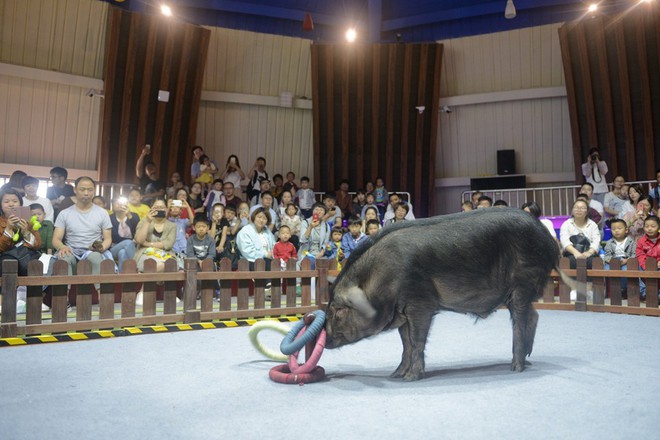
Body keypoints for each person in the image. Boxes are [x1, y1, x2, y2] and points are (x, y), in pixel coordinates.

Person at [52, 177, 114, 278]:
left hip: (93, 250)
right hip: (71, 250)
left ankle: (99, 293)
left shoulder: (103, 213)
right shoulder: (65, 213)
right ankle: (64, 293)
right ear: (75, 190)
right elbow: (56, 239)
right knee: (64, 258)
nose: (86, 193)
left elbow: (108, 238)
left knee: (95, 257)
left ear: (94, 190)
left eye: (90, 190)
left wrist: (101, 248)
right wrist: (62, 247)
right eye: (82, 189)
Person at [0, 189, 42, 276]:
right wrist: (8, 229)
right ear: (1, 205)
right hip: (5, 261)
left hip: (27, 258)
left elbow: (37, 244)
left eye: (15, 201)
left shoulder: (29, 220)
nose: (11, 204)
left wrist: (26, 232)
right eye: (6, 201)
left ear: (20, 204)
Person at [133, 198, 176, 272]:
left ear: (166, 209)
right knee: (155, 265)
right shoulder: (144, 221)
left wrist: (147, 243)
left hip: (165, 254)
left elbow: (168, 244)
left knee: (166, 264)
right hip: (146, 253)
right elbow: (139, 240)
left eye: (162, 207)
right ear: (151, 209)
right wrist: (148, 221)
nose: (159, 209)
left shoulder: (172, 225)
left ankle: (146, 279)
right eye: (156, 207)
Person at [559, 199, 601, 270]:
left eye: (582, 208)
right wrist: (576, 253)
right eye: (576, 207)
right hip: (571, 253)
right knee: (570, 261)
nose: (579, 210)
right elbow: (565, 242)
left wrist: (588, 253)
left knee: (594, 262)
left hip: (589, 253)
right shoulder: (566, 224)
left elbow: (596, 242)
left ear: (587, 211)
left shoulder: (593, 225)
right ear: (572, 210)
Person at [603, 218, 634, 297]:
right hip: (613, 260)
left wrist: (627, 260)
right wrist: (610, 260)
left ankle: (623, 289)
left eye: (619, 228)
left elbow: (634, 254)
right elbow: (607, 254)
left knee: (625, 271)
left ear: (626, 230)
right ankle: (611, 289)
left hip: (626, 260)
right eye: (613, 229)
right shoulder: (609, 242)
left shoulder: (631, 241)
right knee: (606, 270)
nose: (616, 231)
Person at [109, 197, 139, 272]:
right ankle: (138, 266)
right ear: (112, 205)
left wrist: (129, 215)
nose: (119, 204)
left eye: (122, 202)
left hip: (132, 248)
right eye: (117, 202)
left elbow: (138, 230)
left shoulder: (134, 216)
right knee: (128, 242)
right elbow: (114, 237)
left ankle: (121, 279)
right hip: (114, 247)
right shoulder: (109, 218)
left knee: (122, 253)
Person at [298, 203, 331, 269]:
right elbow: (302, 240)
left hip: (319, 253)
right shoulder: (305, 222)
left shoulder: (326, 226)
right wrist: (310, 227)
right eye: (316, 209)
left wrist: (321, 253)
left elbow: (325, 243)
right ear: (312, 211)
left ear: (324, 213)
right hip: (307, 252)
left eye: (321, 210)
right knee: (311, 261)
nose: (318, 211)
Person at [635, 216, 660, 301]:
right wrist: (647, 266)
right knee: (639, 271)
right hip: (645, 265)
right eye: (647, 226)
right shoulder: (641, 241)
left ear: (659, 227)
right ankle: (645, 293)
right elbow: (640, 255)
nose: (649, 229)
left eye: (653, 226)